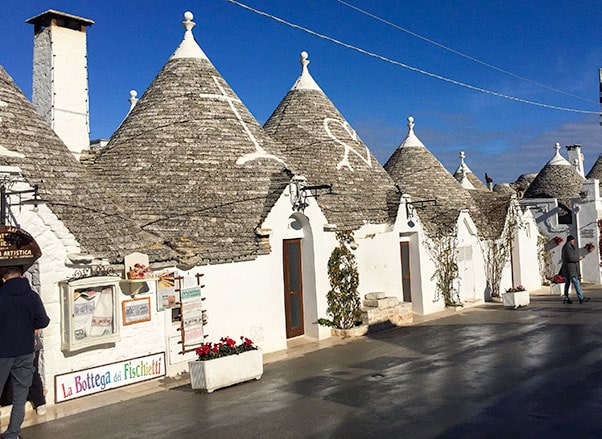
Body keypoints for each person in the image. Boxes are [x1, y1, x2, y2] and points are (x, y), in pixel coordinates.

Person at [0, 266, 50, 439]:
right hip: (26, 351)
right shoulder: (32, 296)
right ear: (21, 277)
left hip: (3, 352)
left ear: (4, 280)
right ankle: (13, 433)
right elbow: (43, 321)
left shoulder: (1, 296)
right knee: (20, 395)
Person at [560, 235, 590, 304]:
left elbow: (564, 257)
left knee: (567, 283)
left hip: (567, 268)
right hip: (570, 268)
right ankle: (581, 298)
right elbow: (570, 258)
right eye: (573, 240)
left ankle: (566, 298)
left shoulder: (565, 247)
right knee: (576, 282)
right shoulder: (568, 247)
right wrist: (578, 258)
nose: (574, 241)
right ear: (570, 240)